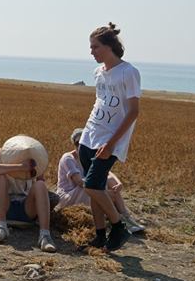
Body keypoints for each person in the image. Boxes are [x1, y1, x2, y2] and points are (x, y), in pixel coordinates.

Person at [78, 22, 141, 251]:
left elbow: (133, 111)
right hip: (88, 136)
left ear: (108, 46)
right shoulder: (98, 73)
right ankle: (100, 235)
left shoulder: (128, 72)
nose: (91, 51)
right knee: (96, 189)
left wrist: (111, 143)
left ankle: (118, 226)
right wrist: (86, 135)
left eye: (95, 46)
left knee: (91, 186)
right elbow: (100, 103)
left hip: (109, 141)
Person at [56, 128, 144, 233]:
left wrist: (118, 183)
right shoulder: (68, 158)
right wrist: (102, 192)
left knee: (108, 181)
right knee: (98, 188)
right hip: (68, 195)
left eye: (83, 142)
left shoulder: (88, 156)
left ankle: (125, 218)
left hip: (84, 190)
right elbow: (79, 182)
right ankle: (121, 220)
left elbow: (107, 172)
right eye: (77, 143)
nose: (80, 145)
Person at [0, 149, 57, 253]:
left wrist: (33, 169)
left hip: (25, 209)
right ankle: (1, 227)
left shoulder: (33, 164)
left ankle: (45, 235)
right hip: (2, 207)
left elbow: (40, 180)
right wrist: (21, 167)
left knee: (40, 185)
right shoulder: (3, 159)